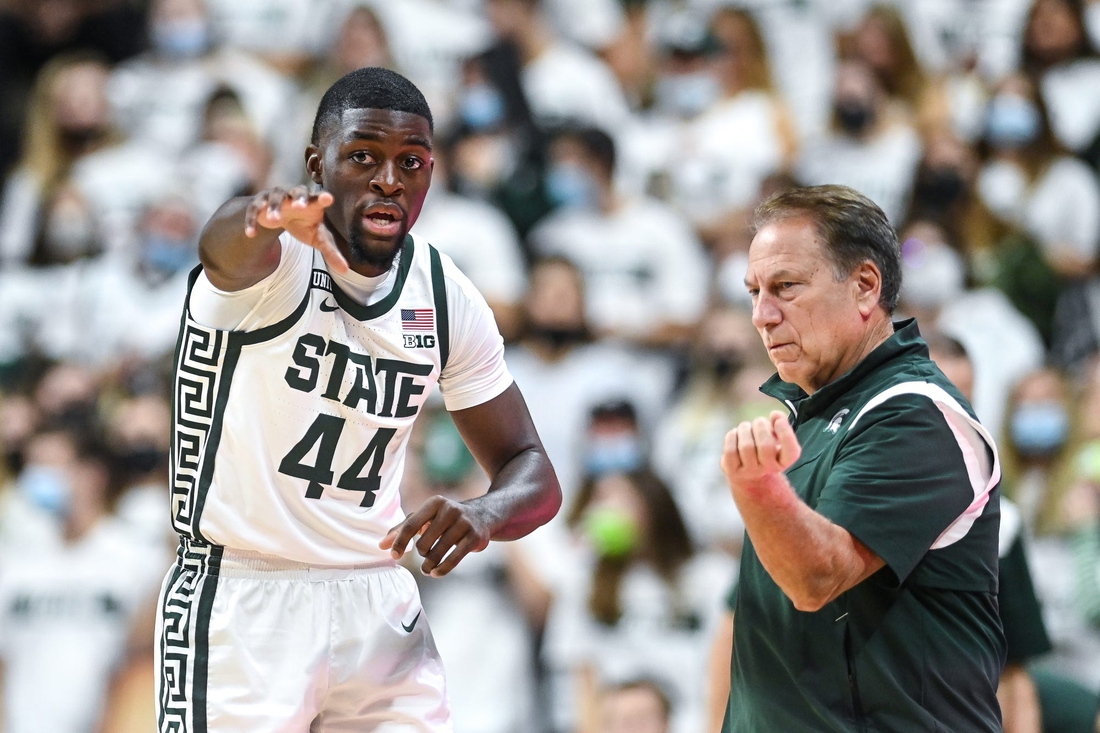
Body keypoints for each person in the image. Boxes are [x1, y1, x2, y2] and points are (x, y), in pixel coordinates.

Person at [155, 66, 561, 732]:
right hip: (243, 591)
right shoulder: (273, 256)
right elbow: (220, 248)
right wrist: (263, 215)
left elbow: (534, 473)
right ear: (317, 164)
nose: (389, 180)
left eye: (412, 162)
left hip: (376, 596)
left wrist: (485, 512)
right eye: (363, 156)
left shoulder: (444, 290)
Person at [721, 184, 1005, 731]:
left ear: (865, 286)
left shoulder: (917, 415)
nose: (762, 315)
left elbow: (817, 578)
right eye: (754, 291)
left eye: (785, 287)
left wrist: (757, 488)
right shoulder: (814, 416)